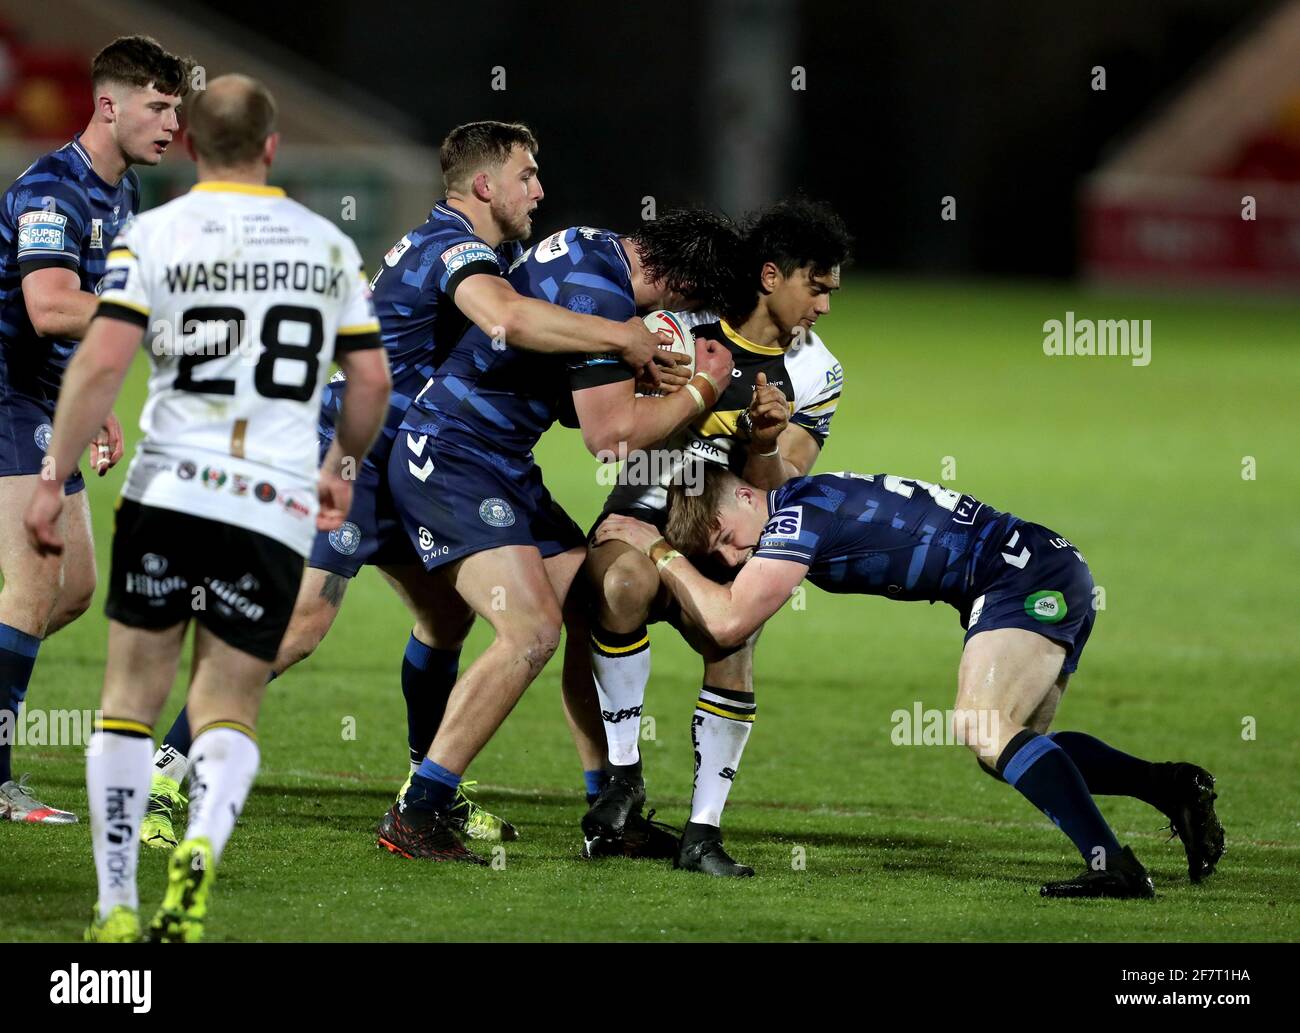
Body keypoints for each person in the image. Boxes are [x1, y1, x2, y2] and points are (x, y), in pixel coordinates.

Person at [140, 121, 678, 849]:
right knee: (299, 624)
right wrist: (623, 339)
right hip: (349, 455)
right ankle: (164, 774)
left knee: (447, 618)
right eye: (527, 174)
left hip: (410, 463)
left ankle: (430, 788)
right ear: (485, 185)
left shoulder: (492, 252)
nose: (539, 189)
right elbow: (507, 318)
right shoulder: (449, 248)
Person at [24, 74, 391, 941]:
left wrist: (53, 475)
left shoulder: (156, 232)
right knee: (229, 704)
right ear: (271, 148)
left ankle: (115, 902)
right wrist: (341, 464)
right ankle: (197, 856)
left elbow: (103, 362)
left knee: (128, 698)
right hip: (269, 501)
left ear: (190, 145)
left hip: (169, 492)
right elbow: (370, 378)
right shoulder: (326, 247)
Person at [595, 464, 1225, 896]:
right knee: (1017, 744)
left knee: (982, 725)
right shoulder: (803, 500)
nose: (734, 561)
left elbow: (728, 624)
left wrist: (657, 551)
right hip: (1042, 566)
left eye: (726, 545)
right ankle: (1169, 787)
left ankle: (1114, 865)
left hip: (1018, 578)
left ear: (741, 503)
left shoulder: (793, 519)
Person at [375, 214, 740, 863]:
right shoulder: (603, 295)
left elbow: (566, 393)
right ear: (681, 281)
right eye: (691, 301)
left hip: (495, 458)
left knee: (586, 605)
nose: (684, 314)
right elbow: (611, 436)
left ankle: (612, 807)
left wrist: (641, 374)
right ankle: (419, 807)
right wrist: (702, 390)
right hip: (454, 458)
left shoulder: (594, 247)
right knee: (530, 632)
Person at [580, 197, 850, 874]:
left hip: (729, 542)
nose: (823, 306)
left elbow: (780, 480)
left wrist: (760, 436)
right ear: (770, 275)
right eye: (815, 287)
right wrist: (694, 394)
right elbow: (619, 438)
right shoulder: (674, 329)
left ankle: (702, 833)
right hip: (640, 511)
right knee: (621, 582)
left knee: (734, 637)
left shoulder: (820, 373)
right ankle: (623, 778)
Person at [0, 35, 190, 824]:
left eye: (177, 107)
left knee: (71, 588)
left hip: (46, 398)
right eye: (157, 105)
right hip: (7, 396)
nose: (172, 122)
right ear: (108, 105)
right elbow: (48, 305)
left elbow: (85, 318)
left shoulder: (124, 194)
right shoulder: (54, 190)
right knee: (36, 582)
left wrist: (96, 397)